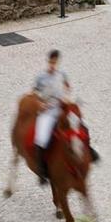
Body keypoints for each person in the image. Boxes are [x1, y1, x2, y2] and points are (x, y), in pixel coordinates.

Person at [33, 49, 71, 184]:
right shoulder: (41, 77)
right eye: (51, 62)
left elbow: (67, 87)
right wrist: (41, 104)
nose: (52, 65)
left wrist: (66, 97)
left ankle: (88, 152)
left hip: (61, 107)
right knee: (41, 138)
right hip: (47, 110)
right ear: (48, 61)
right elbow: (35, 94)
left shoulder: (62, 74)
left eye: (55, 63)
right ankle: (41, 170)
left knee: (78, 124)